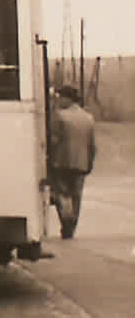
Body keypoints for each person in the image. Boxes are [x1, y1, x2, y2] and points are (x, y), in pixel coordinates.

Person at [49, 84, 96, 239]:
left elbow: (54, 140)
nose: (59, 100)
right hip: (81, 163)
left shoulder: (59, 116)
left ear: (67, 99)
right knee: (76, 196)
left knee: (62, 193)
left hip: (61, 162)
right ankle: (72, 226)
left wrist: (49, 158)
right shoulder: (88, 118)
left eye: (61, 97)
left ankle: (66, 221)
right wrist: (89, 164)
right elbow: (92, 146)